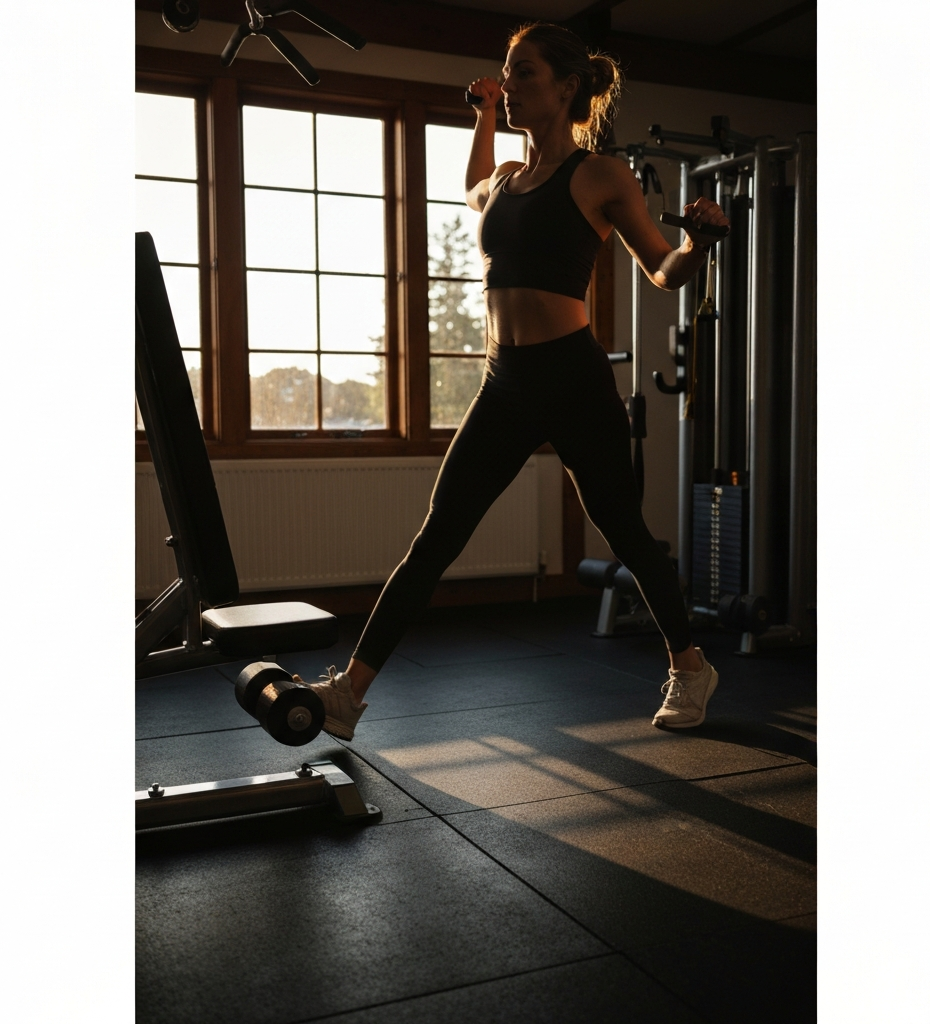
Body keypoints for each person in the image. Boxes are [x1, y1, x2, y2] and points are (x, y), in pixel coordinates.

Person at [298, 21, 730, 741]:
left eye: (524, 72)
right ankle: (349, 693)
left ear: (566, 88)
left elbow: (662, 270)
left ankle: (689, 665)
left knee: (623, 529)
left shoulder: (599, 174)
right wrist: (485, 113)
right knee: (437, 536)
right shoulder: (503, 179)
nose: (510, 82)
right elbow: (473, 188)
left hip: (573, 377)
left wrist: (695, 244)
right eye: (506, 71)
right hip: (506, 381)